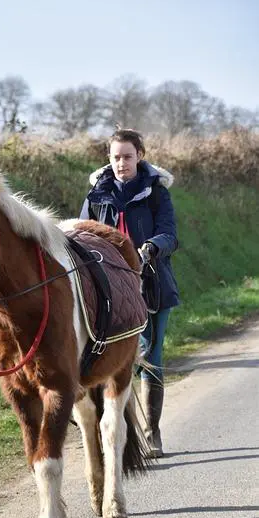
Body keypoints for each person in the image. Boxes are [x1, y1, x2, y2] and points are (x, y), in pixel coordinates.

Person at [79, 128, 180, 457]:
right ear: (109, 159)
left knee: (151, 360)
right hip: (110, 289)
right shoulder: (97, 194)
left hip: (152, 284)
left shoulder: (156, 193)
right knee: (115, 361)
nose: (121, 163)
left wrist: (151, 247)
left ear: (140, 156)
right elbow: (81, 233)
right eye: (115, 157)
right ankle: (117, 434)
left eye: (127, 156)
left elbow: (170, 234)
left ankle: (152, 434)